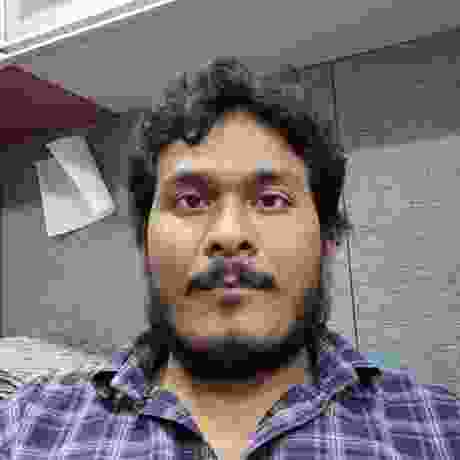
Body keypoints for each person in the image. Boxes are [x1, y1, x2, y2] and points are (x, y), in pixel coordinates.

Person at [1, 56, 459, 460]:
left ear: (326, 238)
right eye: (190, 201)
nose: (229, 234)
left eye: (272, 200)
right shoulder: (24, 428)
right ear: (145, 241)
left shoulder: (441, 432)